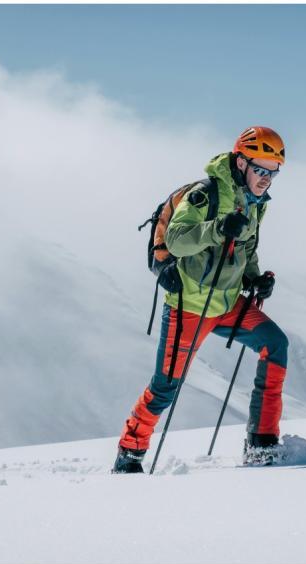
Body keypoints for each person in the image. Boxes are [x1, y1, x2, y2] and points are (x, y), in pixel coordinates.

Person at [113, 126, 289, 474]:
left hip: (227, 304)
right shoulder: (205, 194)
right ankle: (129, 453)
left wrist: (255, 277)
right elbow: (177, 240)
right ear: (241, 163)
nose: (267, 178)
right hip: (189, 306)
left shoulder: (255, 205)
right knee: (165, 388)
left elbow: (246, 249)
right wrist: (218, 228)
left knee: (276, 345)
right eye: (261, 169)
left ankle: (261, 444)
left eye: (273, 171)